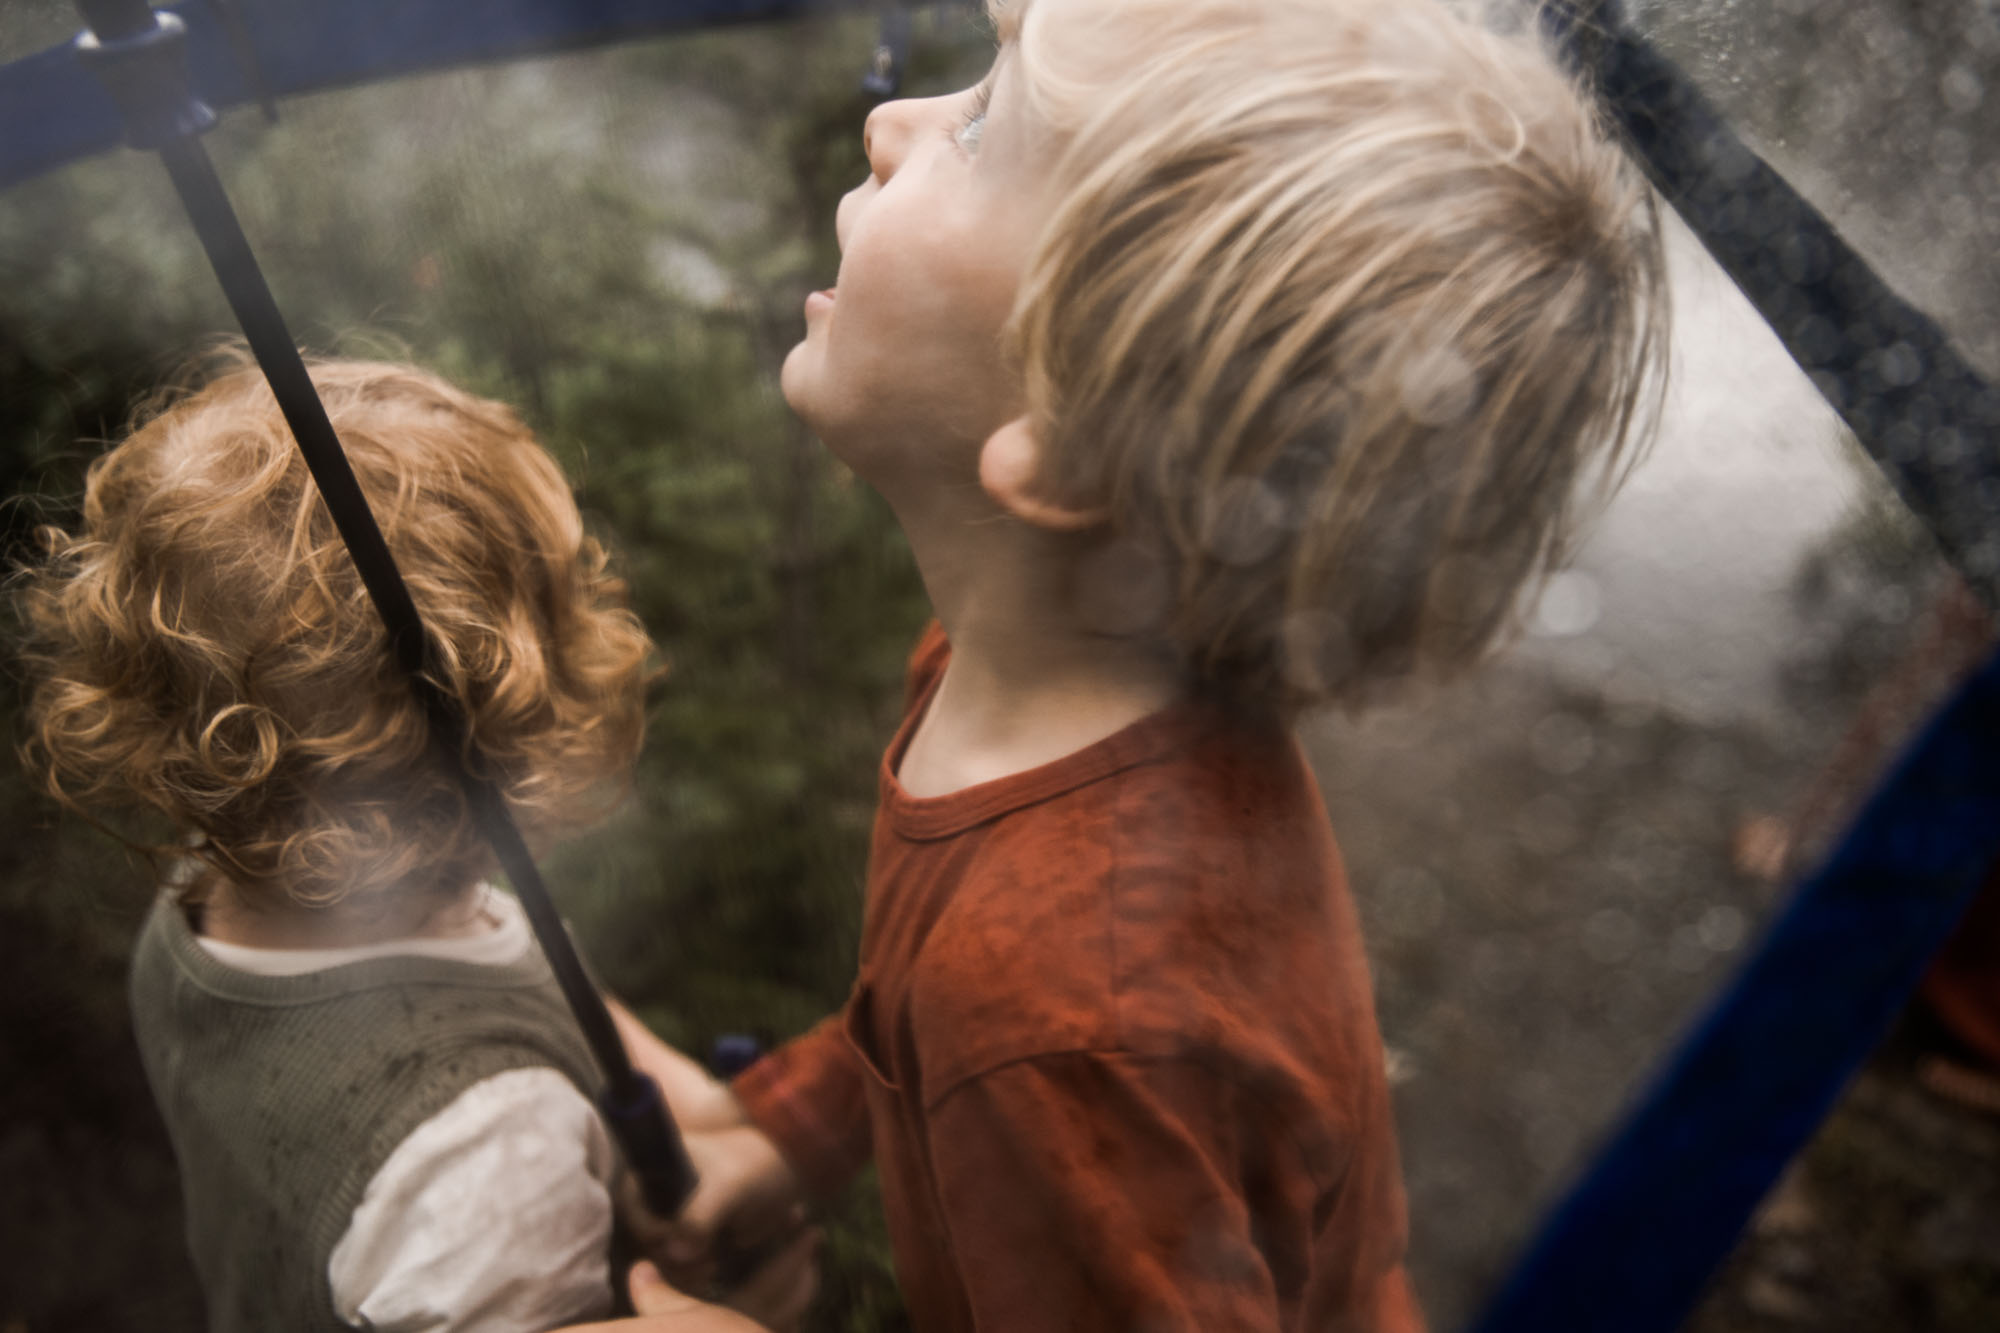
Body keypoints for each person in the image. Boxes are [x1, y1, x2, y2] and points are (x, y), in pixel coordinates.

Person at [637, 0, 1671, 1329]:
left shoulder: (1074, 1009)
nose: (891, 123)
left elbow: (1027, 1026)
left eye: (982, 125)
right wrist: (797, 1128)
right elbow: (942, 1008)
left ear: (1068, 440)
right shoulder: (1029, 679)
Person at [16, 355, 813, 1333]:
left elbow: (512, 976)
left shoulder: (212, 881)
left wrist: (708, 1108)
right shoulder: (483, 1153)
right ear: (515, 717)